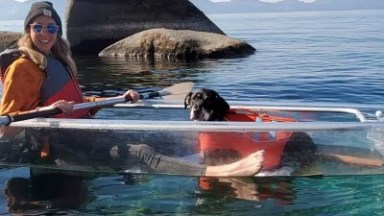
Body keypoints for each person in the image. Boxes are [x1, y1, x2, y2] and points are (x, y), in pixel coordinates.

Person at [0, 1, 264, 177]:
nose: (45, 33)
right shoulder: (22, 67)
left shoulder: (57, 60)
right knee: (140, 152)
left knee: (148, 140)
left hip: (81, 134)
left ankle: (212, 156)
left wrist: (117, 98)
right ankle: (221, 172)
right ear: (28, 30)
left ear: (57, 30)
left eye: (51, 27)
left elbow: (78, 101)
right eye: (38, 27)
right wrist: (49, 110)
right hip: (58, 145)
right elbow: (8, 127)